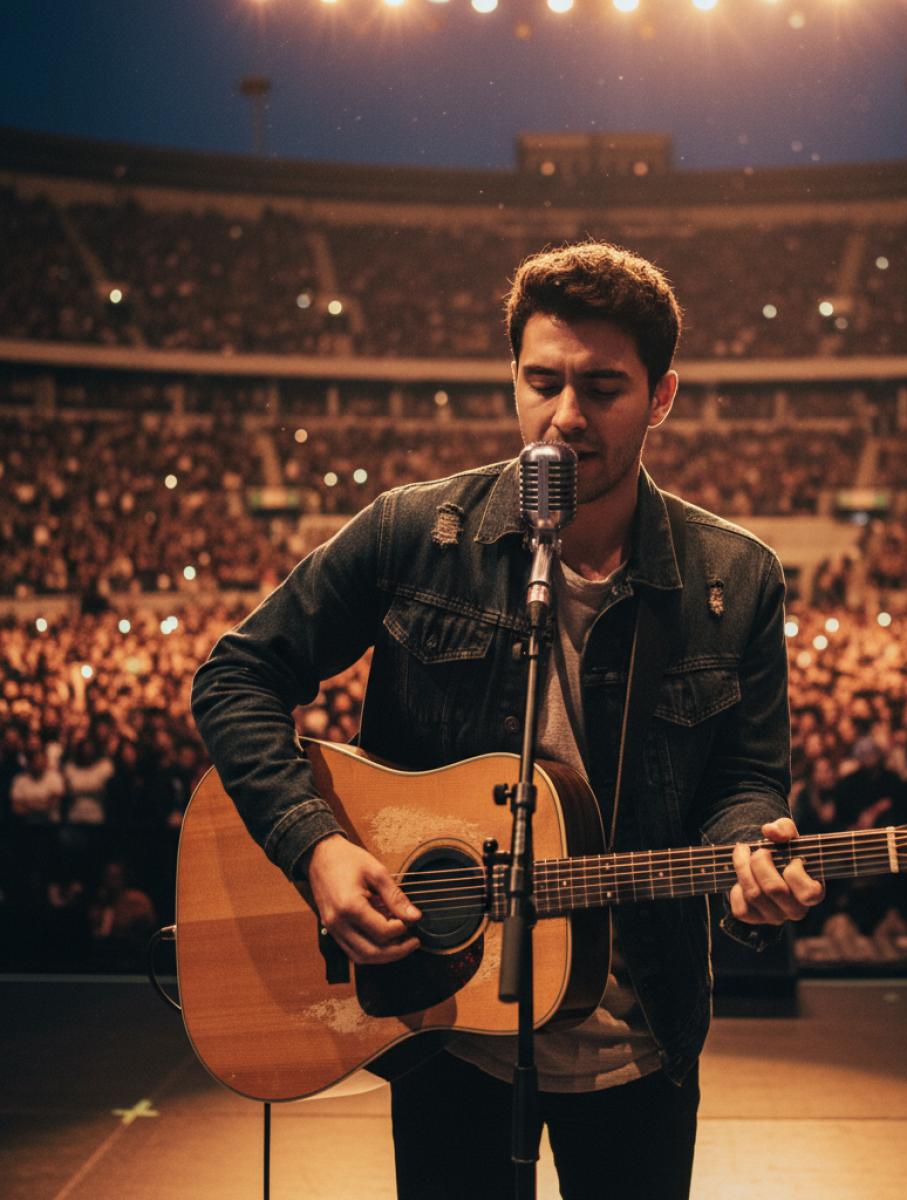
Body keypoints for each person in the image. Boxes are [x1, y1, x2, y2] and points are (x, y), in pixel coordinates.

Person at [191, 241, 823, 1199]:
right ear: (513, 379)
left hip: (638, 1044)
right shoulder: (414, 533)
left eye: (603, 387)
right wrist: (315, 847)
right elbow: (236, 675)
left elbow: (745, 781)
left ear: (662, 397)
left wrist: (747, 859)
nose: (565, 417)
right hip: (447, 1030)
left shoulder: (735, 580)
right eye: (543, 381)